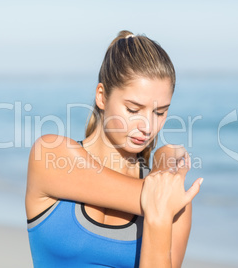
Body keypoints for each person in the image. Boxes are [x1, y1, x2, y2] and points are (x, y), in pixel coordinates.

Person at [25, 30, 203, 268]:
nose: (148, 126)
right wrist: (163, 165)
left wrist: (160, 204)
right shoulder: (50, 156)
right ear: (101, 96)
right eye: (133, 109)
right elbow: (153, 195)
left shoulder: (176, 200)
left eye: (160, 112)